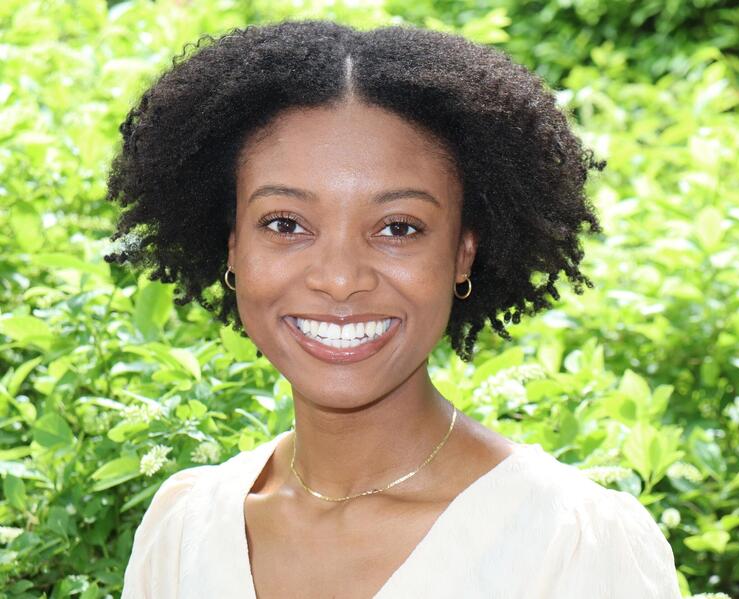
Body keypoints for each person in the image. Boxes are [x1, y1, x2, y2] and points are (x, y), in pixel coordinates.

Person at [105, 19, 682, 599]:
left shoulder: (572, 544)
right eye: (285, 224)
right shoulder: (183, 532)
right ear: (233, 246)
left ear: (463, 254)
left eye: (398, 228)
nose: (339, 278)